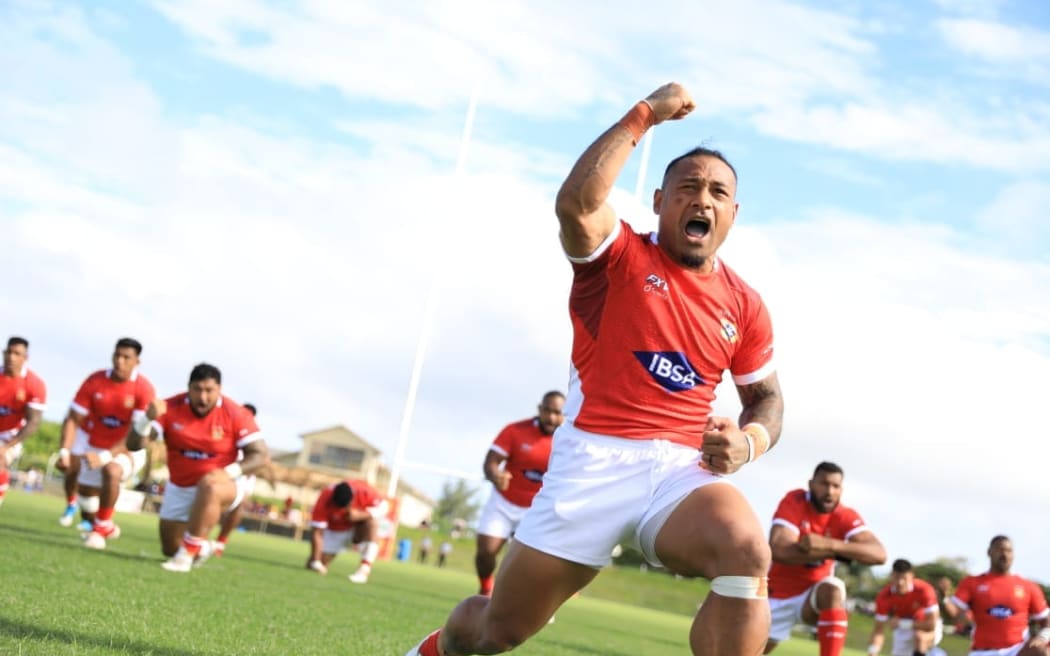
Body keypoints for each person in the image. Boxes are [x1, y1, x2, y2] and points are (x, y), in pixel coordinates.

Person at [405, 81, 784, 656]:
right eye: (688, 188)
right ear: (659, 202)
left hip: (679, 471)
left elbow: (768, 401)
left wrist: (748, 443)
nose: (702, 199)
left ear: (734, 212)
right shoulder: (621, 257)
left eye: (717, 192)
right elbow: (576, 204)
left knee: (747, 553)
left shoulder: (745, 304)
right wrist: (644, 116)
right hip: (594, 463)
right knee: (492, 633)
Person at [124, 363, 270, 572]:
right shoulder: (170, 407)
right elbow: (134, 445)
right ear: (188, 388)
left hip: (223, 483)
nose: (203, 397)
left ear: (219, 389)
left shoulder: (235, 413)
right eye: (197, 390)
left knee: (209, 484)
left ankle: (185, 557)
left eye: (209, 390)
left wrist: (228, 472)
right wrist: (145, 419)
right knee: (169, 547)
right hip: (180, 485)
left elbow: (260, 455)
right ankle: (200, 548)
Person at [765, 461, 887, 656]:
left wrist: (828, 544)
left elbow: (879, 554)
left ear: (841, 489)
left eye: (836, 486)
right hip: (774, 595)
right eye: (824, 484)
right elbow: (779, 550)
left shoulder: (845, 515)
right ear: (811, 484)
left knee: (832, 589)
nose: (829, 491)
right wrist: (842, 552)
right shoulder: (795, 500)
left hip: (810, 598)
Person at [58, 338, 155, 547]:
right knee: (87, 499)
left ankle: (100, 529)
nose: (120, 361)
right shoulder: (95, 380)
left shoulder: (144, 389)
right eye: (117, 355)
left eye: (126, 357)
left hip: (129, 447)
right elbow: (74, 418)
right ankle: (104, 525)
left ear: (137, 361)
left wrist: (105, 456)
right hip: (94, 443)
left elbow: (136, 434)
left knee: (111, 470)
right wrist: (65, 451)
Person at [474, 390, 565, 596]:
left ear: (564, 414)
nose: (551, 417)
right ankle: (486, 587)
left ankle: (529, 602)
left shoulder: (569, 440)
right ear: (539, 409)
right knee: (486, 553)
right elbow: (491, 462)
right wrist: (495, 475)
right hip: (503, 501)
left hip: (537, 507)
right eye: (547, 411)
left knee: (533, 563)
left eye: (557, 413)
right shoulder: (515, 430)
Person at [942, 535, 1050, 655]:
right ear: (989, 552)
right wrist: (944, 598)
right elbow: (955, 613)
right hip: (983, 651)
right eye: (1000, 549)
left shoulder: (1028, 586)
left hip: (1016, 650)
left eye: (1009, 551)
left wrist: (1042, 638)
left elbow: (1046, 619)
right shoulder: (972, 582)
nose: (1004, 555)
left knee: (1040, 651)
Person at [305, 478, 388, 584]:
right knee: (314, 566)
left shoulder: (365, 491)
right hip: (336, 530)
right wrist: (316, 561)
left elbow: (384, 507)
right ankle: (316, 561)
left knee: (372, 524)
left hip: (358, 527)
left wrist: (360, 515)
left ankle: (364, 570)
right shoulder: (325, 497)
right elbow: (317, 531)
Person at [0, 337, 47, 509]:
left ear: (25, 357)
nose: (11, 357)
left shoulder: (34, 384)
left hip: (11, 434)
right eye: (9, 352)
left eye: (17, 353)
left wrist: (7, 447)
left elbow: (33, 423)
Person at [209, 401, 258, 557]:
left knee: (239, 506)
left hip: (242, 477)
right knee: (212, 503)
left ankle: (221, 542)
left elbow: (259, 458)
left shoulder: (253, 435)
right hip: (222, 472)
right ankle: (200, 537)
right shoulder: (225, 427)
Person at [866, 558, 943, 656]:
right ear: (891, 576)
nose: (900, 582)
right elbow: (878, 631)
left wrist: (902, 623)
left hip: (926, 626)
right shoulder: (884, 596)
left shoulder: (924, 590)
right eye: (897, 577)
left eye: (904, 578)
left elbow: (931, 624)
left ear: (911, 576)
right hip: (902, 629)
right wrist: (873, 650)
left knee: (920, 638)